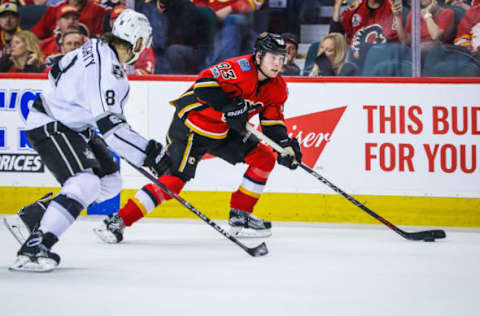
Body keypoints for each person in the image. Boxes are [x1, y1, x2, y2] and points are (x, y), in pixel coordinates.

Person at [94, 32, 303, 243]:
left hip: (224, 131)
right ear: (258, 56)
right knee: (173, 182)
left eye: (281, 58)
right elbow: (204, 84)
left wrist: (283, 146)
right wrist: (229, 107)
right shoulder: (239, 68)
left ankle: (241, 215)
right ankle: (117, 221)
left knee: (265, 158)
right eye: (272, 57)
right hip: (191, 128)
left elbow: (272, 122)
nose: (277, 63)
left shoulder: (277, 87)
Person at [7, 9, 170, 272]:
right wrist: (152, 155)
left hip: (73, 125)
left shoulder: (93, 45)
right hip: (50, 124)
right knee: (84, 181)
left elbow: (56, 71)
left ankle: (37, 215)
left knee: (110, 181)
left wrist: (76, 104)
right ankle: (35, 247)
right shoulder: (111, 73)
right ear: (138, 42)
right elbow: (112, 130)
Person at [108, 5, 155, 75]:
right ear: (111, 22)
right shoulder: (105, 45)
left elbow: (147, 71)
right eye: (116, 18)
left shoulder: (142, 43)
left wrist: (134, 74)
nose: (120, 22)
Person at [31, 0, 108, 40]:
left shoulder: (99, 11)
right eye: (66, 18)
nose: (71, 21)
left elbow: (103, 38)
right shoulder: (54, 9)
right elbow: (34, 35)